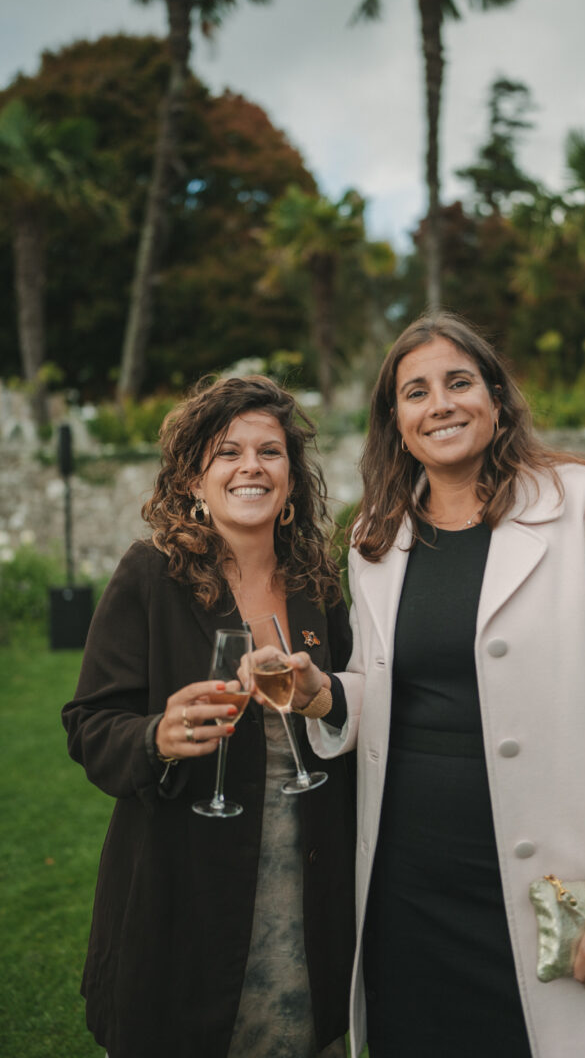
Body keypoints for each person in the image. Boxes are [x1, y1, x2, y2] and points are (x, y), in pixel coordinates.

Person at [297, 312, 585, 1058]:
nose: (439, 403)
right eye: (415, 392)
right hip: (408, 880)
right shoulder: (373, 536)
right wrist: (325, 693)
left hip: (553, 874)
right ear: (396, 423)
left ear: (497, 399)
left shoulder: (582, 503)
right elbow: (383, 688)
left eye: (458, 382)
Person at [62, 375, 356, 1058]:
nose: (251, 466)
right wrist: (154, 738)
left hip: (306, 888)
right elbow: (89, 722)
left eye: (270, 452)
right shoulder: (149, 577)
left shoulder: (321, 586)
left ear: (292, 481)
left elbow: (356, 701)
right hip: (180, 892)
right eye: (227, 452)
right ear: (194, 480)